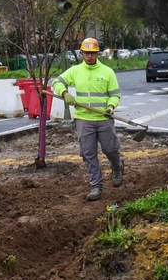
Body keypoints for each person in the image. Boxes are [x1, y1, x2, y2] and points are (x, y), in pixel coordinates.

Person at [50, 37, 123, 201]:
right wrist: (65, 93)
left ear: (97, 53)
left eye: (93, 53)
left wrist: (110, 107)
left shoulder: (107, 72)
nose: (90, 56)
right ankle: (96, 186)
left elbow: (115, 94)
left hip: (104, 118)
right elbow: (57, 82)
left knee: (110, 149)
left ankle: (117, 167)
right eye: (87, 53)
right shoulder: (75, 71)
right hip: (84, 119)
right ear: (82, 53)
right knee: (88, 153)